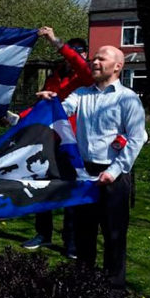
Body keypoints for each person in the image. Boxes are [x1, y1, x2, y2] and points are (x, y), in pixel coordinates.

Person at [37, 45, 147, 289]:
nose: (94, 61)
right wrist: (50, 102)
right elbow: (61, 112)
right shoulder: (81, 94)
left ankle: (113, 290)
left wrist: (114, 171)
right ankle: (83, 284)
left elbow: (138, 138)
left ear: (118, 66)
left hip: (114, 175)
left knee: (114, 235)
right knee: (83, 233)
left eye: (101, 58)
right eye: (93, 58)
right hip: (84, 173)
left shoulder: (127, 98)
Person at [21, 27, 93, 258]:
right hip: (47, 141)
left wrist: (55, 41)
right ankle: (43, 234)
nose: (73, 57)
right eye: (71, 53)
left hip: (71, 144)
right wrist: (18, 119)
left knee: (70, 190)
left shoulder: (85, 78)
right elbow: (44, 107)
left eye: (78, 53)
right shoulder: (54, 77)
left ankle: (70, 241)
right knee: (43, 187)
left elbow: (80, 64)